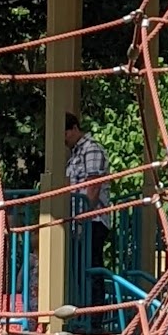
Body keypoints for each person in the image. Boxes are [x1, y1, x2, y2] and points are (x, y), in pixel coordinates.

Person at [64, 111, 112, 296]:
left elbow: (93, 187)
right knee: (80, 269)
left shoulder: (91, 149)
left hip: (93, 220)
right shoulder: (75, 153)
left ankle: (95, 317)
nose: (64, 140)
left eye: (65, 133)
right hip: (80, 222)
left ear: (75, 128)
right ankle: (86, 313)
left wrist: (83, 216)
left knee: (91, 268)